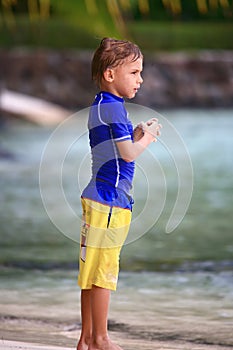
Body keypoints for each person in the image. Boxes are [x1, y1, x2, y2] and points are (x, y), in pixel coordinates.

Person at [77, 37, 162, 350]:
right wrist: (149, 138)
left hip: (96, 198)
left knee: (91, 272)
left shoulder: (100, 106)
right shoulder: (114, 110)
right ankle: (100, 339)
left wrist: (134, 134)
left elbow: (114, 149)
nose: (140, 79)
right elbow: (127, 155)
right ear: (110, 74)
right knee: (103, 273)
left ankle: (86, 339)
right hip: (110, 202)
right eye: (134, 72)